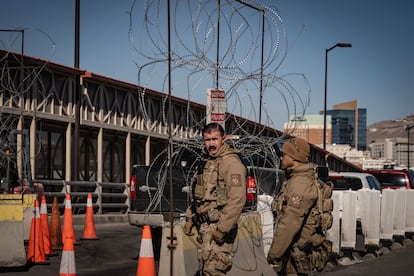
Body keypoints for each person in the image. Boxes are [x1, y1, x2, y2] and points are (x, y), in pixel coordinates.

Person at [184, 122, 246, 275]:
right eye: (207, 140)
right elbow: (199, 195)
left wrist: (222, 229)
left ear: (223, 139)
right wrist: (190, 217)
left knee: (214, 271)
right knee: (205, 269)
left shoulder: (231, 163)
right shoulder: (205, 162)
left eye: (214, 139)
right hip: (204, 227)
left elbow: (237, 199)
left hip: (219, 226)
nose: (211, 144)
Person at [267, 137, 329, 275]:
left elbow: (291, 222)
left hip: (297, 254)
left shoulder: (300, 184)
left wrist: (274, 253)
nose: (281, 158)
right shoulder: (296, 179)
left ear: (294, 157)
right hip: (295, 251)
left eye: (284, 155)